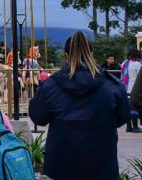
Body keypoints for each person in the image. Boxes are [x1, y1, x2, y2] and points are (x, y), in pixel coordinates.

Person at [29, 31, 129, 180]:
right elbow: (122, 118)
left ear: (66, 55)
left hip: (60, 166)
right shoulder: (112, 86)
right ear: (92, 53)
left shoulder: (51, 85)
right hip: (102, 165)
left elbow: (38, 117)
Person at [123, 49, 142, 132]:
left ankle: (128, 127)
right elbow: (139, 78)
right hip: (135, 88)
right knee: (134, 108)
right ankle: (135, 127)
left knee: (128, 108)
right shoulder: (138, 64)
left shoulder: (125, 63)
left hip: (127, 87)